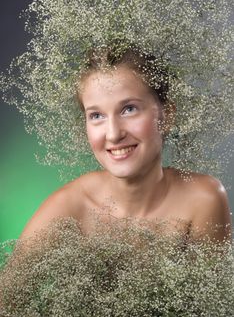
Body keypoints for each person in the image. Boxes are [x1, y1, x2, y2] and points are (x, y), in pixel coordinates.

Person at [18, 43, 232, 244]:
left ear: (167, 115)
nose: (113, 134)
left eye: (129, 109)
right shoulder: (70, 207)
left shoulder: (203, 199)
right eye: (96, 115)